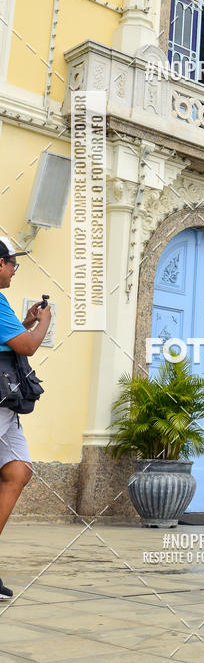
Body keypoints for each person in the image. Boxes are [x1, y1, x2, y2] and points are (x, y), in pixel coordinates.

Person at [0, 238, 51, 597]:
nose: (14, 270)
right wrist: (43, 323)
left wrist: (26, 321)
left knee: (18, 470)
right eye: (12, 264)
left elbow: (8, 340)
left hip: (7, 407)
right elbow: (27, 346)